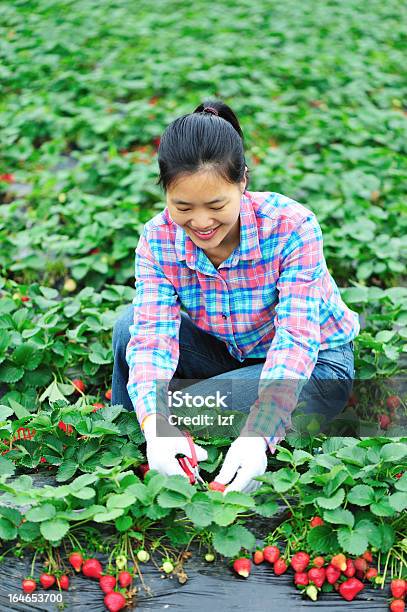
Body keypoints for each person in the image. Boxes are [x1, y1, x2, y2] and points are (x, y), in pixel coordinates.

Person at [112, 99, 360, 494]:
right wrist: (157, 428)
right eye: (183, 207)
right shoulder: (157, 239)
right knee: (128, 328)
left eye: (216, 205)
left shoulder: (291, 226)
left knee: (184, 407)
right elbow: (152, 338)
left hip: (314, 365)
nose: (201, 222)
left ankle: (152, 430)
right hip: (231, 350)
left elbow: (297, 340)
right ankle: (148, 443)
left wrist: (257, 436)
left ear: (242, 181)